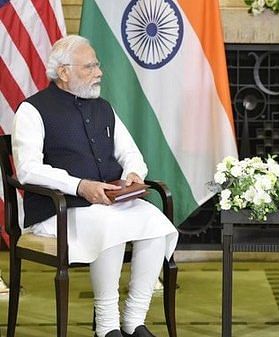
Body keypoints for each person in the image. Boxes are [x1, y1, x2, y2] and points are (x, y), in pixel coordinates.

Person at [12, 35, 179, 337]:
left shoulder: (103, 107)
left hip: (105, 204)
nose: (99, 72)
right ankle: (107, 326)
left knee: (156, 223)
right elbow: (26, 169)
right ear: (63, 72)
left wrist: (133, 174)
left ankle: (133, 321)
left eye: (97, 65)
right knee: (109, 225)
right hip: (56, 211)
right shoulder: (31, 110)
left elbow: (131, 154)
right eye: (89, 66)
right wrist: (80, 186)